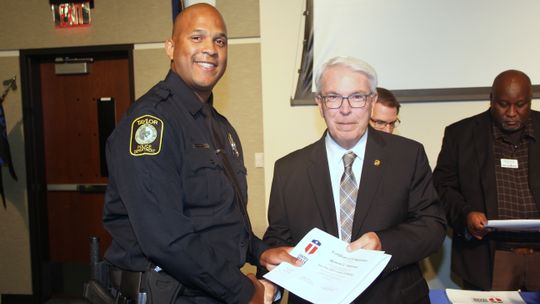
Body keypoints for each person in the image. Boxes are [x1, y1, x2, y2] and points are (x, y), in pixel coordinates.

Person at [102, 4, 296, 303]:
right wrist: (246, 293)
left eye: (220, 41)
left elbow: (218, 221)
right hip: (169, 293)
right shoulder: (152, 123)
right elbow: (165, 239)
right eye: (197, 38)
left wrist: (261, 252)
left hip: (212, 289)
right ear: (170, 47)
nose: (211, 49)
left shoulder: (220, 127)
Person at [262, 56, 446, 303]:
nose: (345, 109)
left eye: (357, 97)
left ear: (371, 102)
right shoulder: (289, 170)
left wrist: (383, 242)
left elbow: (432, 227)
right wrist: (269, 283)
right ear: (320, 103)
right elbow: (278, 241)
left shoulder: (407, 156)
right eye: (333, 97)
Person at [433, 69, 540, 291]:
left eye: (520, 105)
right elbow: (442, 188)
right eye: (503, 104)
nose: (511, 113)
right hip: (488, 257)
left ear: (530, 100)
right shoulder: (461, 135)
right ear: (491, 99)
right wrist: (465, 214)